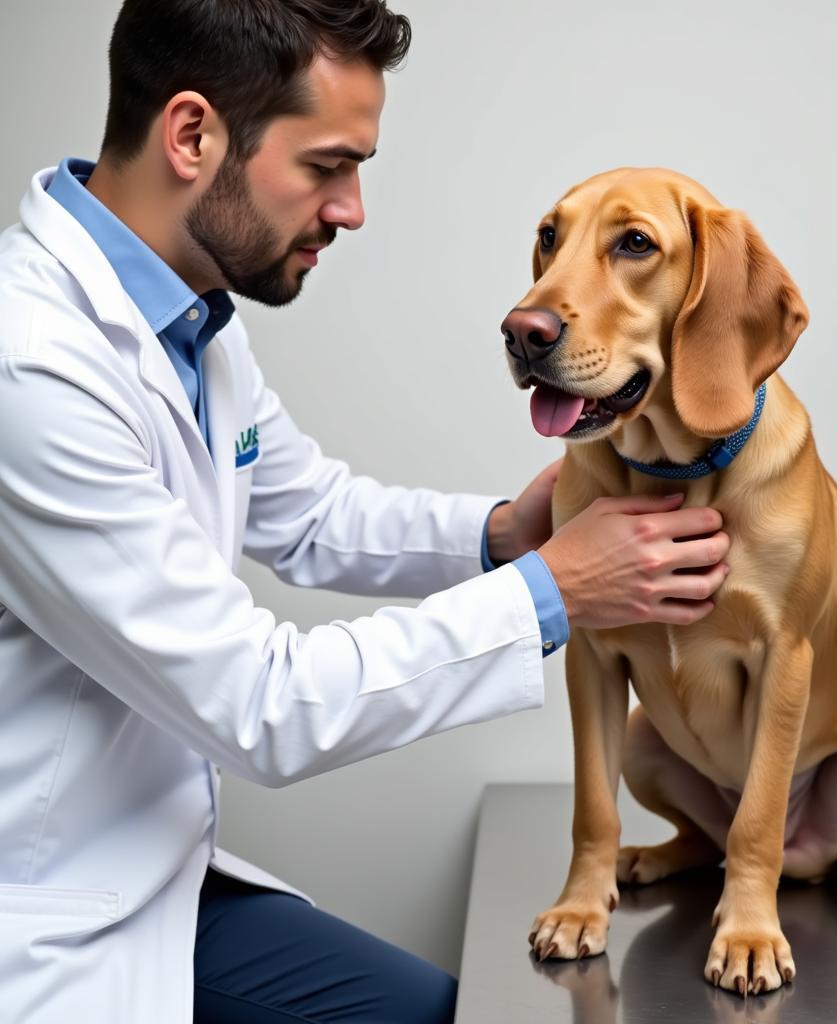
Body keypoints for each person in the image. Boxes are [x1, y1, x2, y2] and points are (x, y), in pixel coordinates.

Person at [0, 1, 731, 1021]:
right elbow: (257, 701)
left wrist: (501, 537)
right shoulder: (30, 369)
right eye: (326, 166)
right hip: (46, 928)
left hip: (161, 884)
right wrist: (550, 592)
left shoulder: (188, 313)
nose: (351, 209)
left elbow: (308, 512)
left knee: (447, 1013)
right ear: (192, 135)